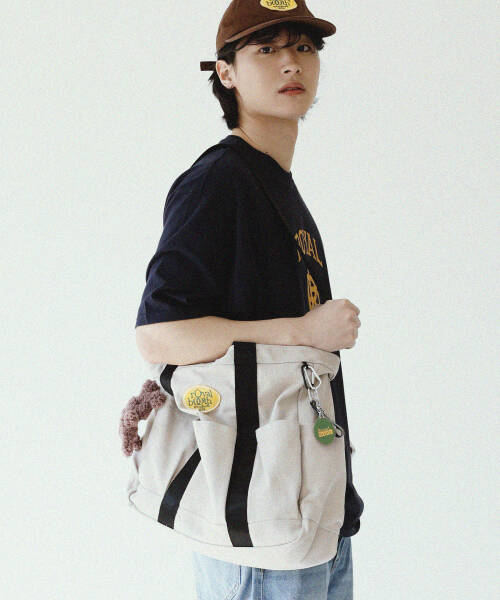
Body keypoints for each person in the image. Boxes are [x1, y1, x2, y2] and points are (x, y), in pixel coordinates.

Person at [135, 2, 364, 598]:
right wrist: (302, 330)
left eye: (304, 47)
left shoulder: (274, 183)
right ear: (226, 72)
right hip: (260, 526)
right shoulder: (219, 182)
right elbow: (158, 334)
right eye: (267, 49)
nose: (291, 62)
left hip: (315, 516)